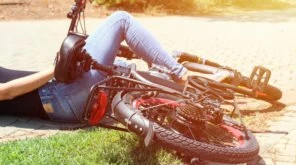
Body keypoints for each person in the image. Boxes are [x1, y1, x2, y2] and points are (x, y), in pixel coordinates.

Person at [0, 11, 187, 123]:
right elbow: (7, 92)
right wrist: (57, 69)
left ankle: (176, 93)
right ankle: (181, 75)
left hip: (61, 98)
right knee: (121, 20)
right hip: (59, 99)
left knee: (121, 67)